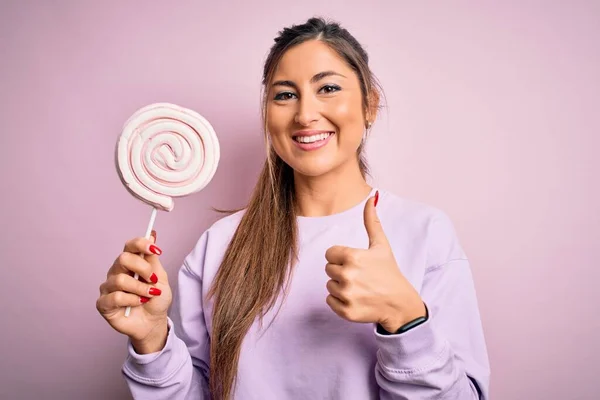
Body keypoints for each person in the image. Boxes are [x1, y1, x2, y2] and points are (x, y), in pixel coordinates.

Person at [97, 17, 490, 400]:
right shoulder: (217, 246)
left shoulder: (425, 233)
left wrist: (405, 320)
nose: (304, 115)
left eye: (329, 88)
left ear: (370, 105)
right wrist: (152, 340)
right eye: (284, 94)